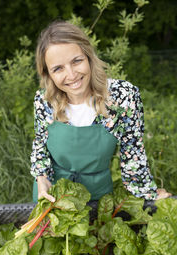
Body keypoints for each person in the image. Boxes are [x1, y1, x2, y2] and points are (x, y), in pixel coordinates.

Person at [30, 20, 171, 205]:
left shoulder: (123, 97)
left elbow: (133, 152)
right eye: (58, 69)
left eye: (77, 61)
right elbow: (41, 144)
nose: (71, 75)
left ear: (89, 57)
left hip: (98, 197)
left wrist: (147, 193)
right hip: (54, 196)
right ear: (48, 74)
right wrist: (42, 180)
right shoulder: (44, 101)